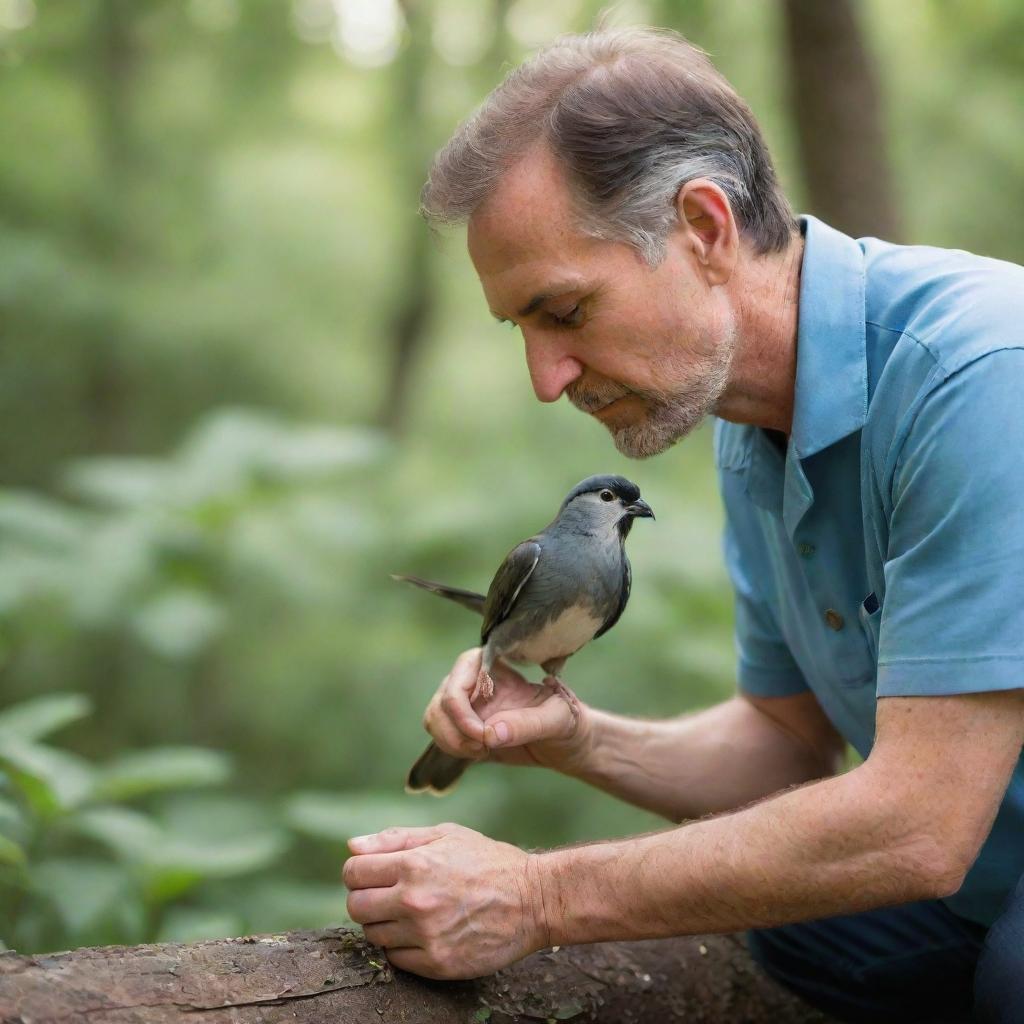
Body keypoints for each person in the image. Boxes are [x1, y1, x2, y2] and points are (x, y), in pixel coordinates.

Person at [342, 27, 1024, 1022]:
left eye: (565, 311)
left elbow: (918, 824)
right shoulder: (750, 428)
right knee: (799, 932)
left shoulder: (978, 374)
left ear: (703, 229)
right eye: (520, 332)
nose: (545, 380)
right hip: (982, 877)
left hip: (968, 866)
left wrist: (537, 896)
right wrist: (576, 738)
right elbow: (787, 744)